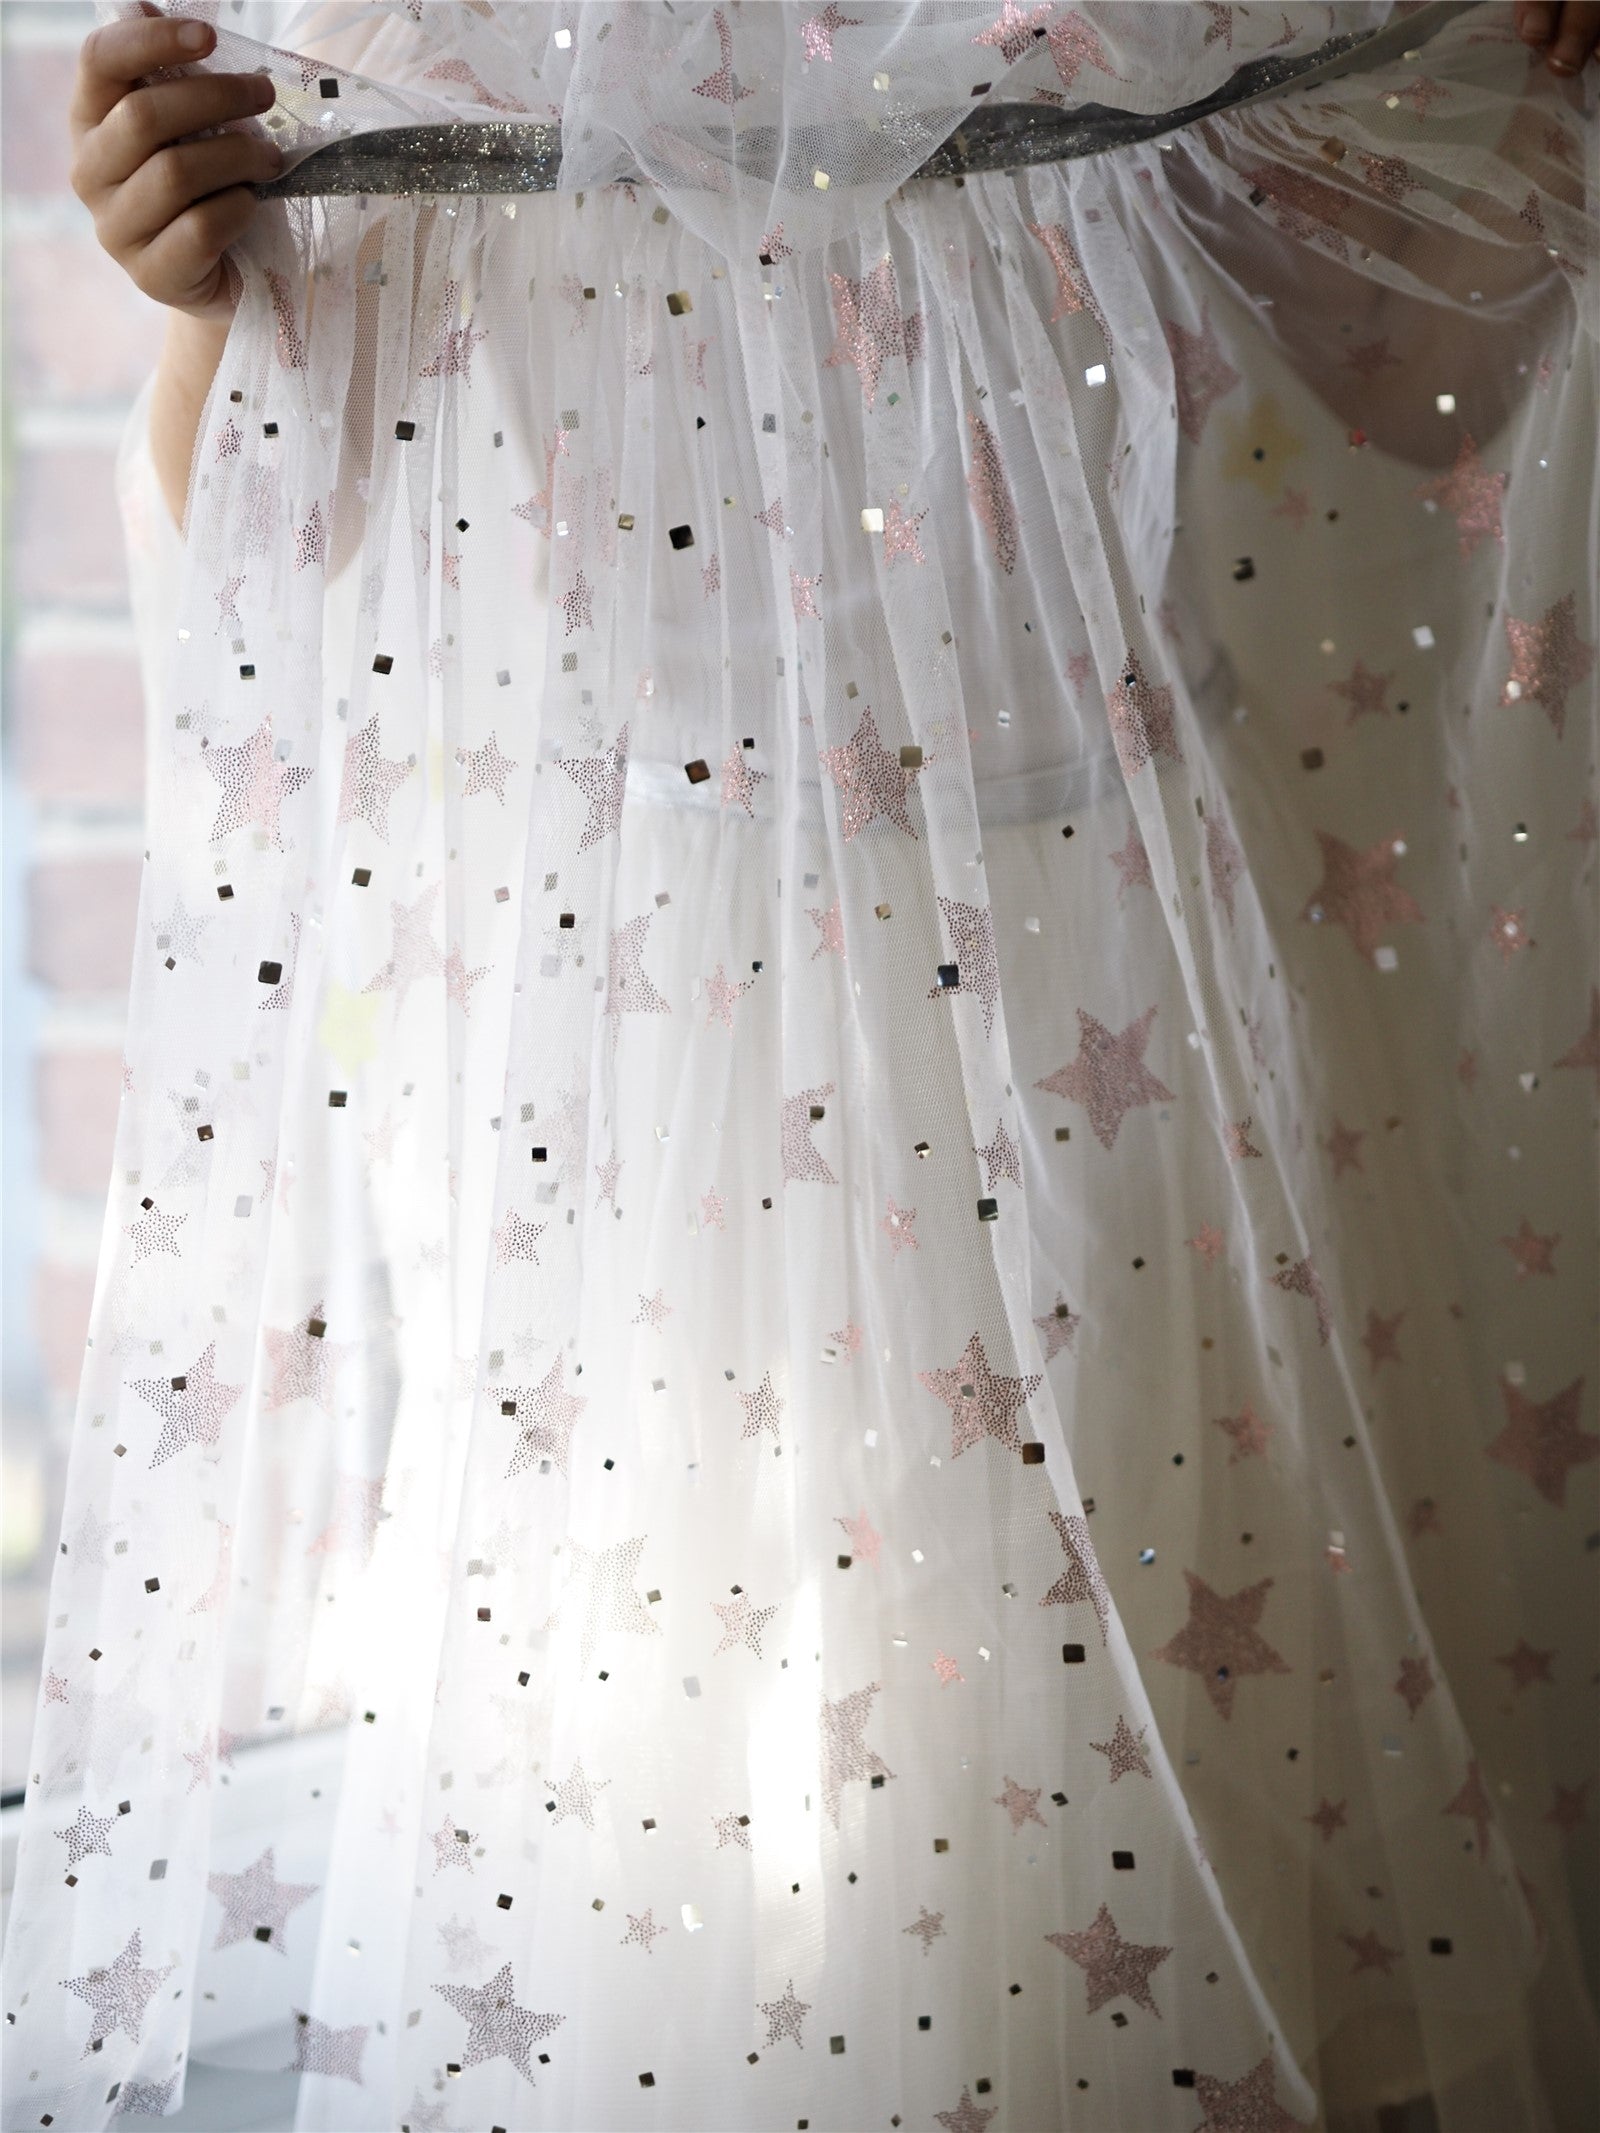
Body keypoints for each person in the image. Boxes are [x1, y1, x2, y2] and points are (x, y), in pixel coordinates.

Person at [3, 5, 1596, 2130]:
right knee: (766, 1858)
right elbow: (278, 556)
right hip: (686, 1112)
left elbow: (1423, 380)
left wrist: (1511, 105)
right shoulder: (440, 37)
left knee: (1248, 1800)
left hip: (1196, 1043)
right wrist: (214, 288)